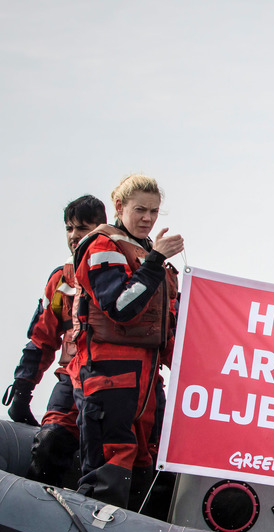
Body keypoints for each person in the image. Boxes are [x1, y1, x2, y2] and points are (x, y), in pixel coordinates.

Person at [70, 175, 182, 509]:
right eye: (140, 210)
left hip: (147, 383)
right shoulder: (103, 247)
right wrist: (154, 261)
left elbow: (167, 326)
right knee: (110, 464)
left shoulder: (151, 255)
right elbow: (119, 305)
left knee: (144, 461)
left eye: (154, 211)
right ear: (119, 207)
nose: (148, 218)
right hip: (110, 377)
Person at [3, 195, 106, 488]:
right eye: (69, 228)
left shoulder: (119, 273)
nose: (74, 236)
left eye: (82, 228)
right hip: (72, 377)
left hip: (113, 380)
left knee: (112, 459)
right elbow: (41, 338)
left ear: (101, 230)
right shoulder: (61, 279)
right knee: (49, 443)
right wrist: (22, 391)